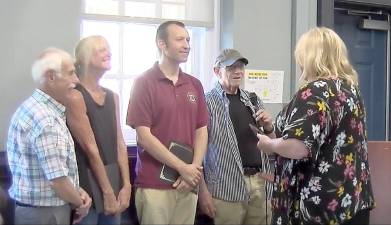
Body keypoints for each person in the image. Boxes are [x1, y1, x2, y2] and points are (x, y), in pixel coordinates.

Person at [256, 27, 375, 225]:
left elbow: (299, 147)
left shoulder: (314, 92)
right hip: (352, 200)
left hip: (318, 207)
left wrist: (270, 145)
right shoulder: (351, 90)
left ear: (309, 57)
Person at [126, 20, 209, 225]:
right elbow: (144, 137)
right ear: (161, 44)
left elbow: (201, 130)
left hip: (188, 183)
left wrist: (193, 170)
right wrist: (182, 167)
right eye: (180, 39)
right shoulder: (144, 82)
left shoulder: (194, 84)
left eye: (188, 40)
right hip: (155, 184)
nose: (187, 45)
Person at [6, 48, 91, 225]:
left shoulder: (36, 109)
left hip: (37, 210)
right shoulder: (45, 119)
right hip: (45, 215)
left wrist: (76, 190)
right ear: (51, 77)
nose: (76, 80)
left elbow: (55, 172)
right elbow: (58, 181)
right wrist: (80, 203)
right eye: (71, 73)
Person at [198, 48, 274, 225]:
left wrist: (269, 127)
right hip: (225, 187)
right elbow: (197, 151)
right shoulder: (206, 102)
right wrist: (203, 192)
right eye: (232, 67)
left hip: (260, 184)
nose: (238, 71)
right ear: (217, 71)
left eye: (241, 67)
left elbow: (272, 142)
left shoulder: (253, 100)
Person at [66, 35, 132, 225]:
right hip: (87, 184)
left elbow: (120, 142)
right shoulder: (74, 96)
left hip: (113, 178)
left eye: (108, 49)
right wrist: (107, 191)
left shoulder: (113, 96)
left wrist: (126, 185)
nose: (108, 53)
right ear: (84, 58)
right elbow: (90, 148)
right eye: (101, 49)